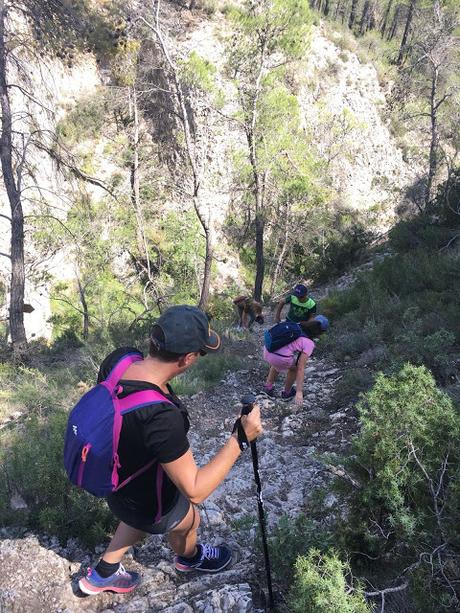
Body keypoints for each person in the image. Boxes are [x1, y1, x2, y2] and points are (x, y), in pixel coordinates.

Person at [78, 305, 263, 595]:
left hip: (115, 476)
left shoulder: (119, 359)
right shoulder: (160, 417)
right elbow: (195, 489)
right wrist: (240, 438)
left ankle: (104, 573)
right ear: (188, 358)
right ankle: (190, 559)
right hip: (150, 492)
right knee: (190, 521)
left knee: (136, 516)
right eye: (199, 354)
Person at [261, 316, 329, 404]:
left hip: (267, 350)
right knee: (294, 368)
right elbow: (301, 368)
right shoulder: (309, 343)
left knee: (277, 361)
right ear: (321, 332)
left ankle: (268, 387)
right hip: (278, 358)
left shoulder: (297, 325)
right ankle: (287, 392)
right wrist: (299, 392)